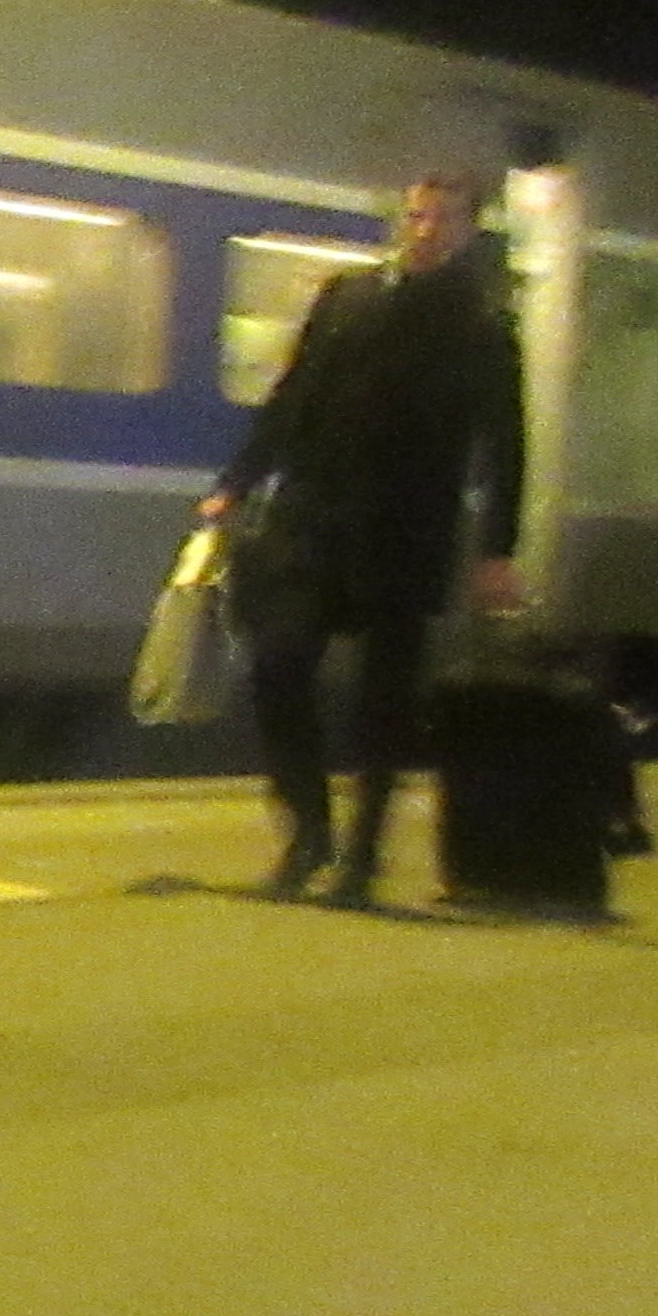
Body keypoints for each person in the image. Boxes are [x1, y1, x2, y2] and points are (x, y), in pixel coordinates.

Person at [197, 161, 528, 906]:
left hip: (407, 529)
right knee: (278, 663)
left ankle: (362, 857)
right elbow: (293, 395)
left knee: (385, 702)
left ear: (468, 231)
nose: (424, 230)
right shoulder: (347, 296)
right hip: (313, 517)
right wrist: (237, 482)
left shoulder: (481, 322)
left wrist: (497, 550)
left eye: (441, 219)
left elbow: (506, 441)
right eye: (415, 216)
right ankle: (308, 830)